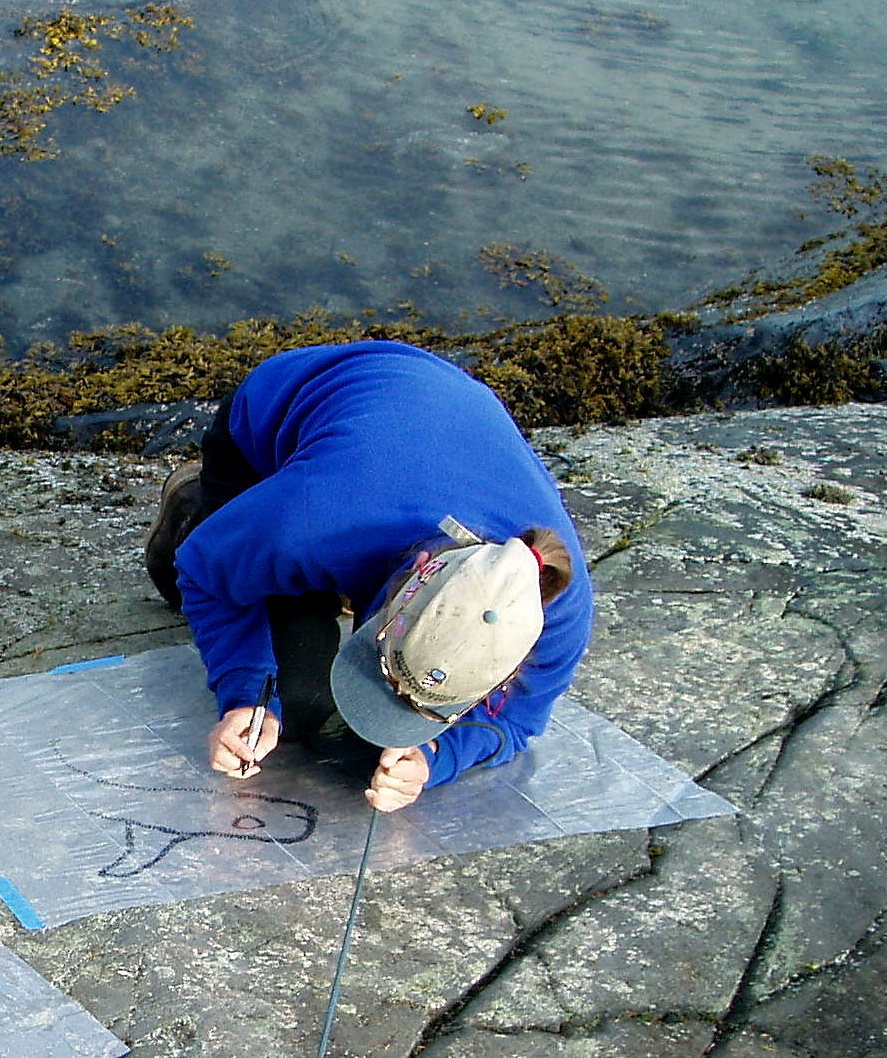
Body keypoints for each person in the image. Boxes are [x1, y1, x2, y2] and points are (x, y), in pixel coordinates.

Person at [145, 339, 593, 812]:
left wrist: (433, 759)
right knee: (295, 707)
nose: (397, 701)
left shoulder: (553, 604)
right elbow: (202, 572)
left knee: (362, 748)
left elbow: (518, 723)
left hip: (407, 443)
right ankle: (197, 504)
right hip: (275, 432)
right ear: (416, 574)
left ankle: (315, 583)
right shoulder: (310, 521)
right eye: (390, 672)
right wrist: (243, 696)